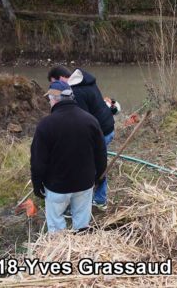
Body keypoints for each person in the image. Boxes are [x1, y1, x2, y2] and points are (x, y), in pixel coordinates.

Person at [31, 81, 107, 233]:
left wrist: (37, 184)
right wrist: (99, 177)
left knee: (56, 226)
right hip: (84, 184)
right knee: (82, 224)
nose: (49, 102)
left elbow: (38, 161)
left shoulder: (45, 125)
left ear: (54, 99)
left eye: (49, 99)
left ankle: (60, 253)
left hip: (57, 187)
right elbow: (101, 154)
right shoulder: (91, 120)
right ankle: (81, 251)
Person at [47, 66, 114, 209]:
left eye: (54, 84)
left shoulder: (75, 91)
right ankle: (98, 199)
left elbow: (82, 121)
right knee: (96, 163)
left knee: (88, 166)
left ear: (62, 79)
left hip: (100, 131)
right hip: (107, 127)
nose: (54, 88)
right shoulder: (84, 80)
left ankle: (90, 201)